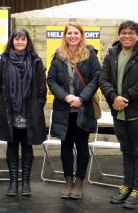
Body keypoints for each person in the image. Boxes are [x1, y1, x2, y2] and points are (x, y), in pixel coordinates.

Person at [99, 20, 138, 209]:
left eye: (131, 33)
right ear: (119, 35)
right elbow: (103, 78)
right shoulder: (112, 54)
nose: (127, 36)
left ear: (137, 36)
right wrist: (112, 97)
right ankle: (127, 185)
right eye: (124, 32)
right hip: (119, 113)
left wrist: (123, 98)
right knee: (126, 150)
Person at [47, 22, 101, 199]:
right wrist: (66, 97)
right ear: (65, 36)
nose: (72, 36)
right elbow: (52, 80)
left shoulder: (90, 54)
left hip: (83, 109)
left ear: (81, 35)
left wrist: (81, 98)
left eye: (75, 33)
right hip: (64, 109)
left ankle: (79, 181)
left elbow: (96, 78)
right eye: (69, 33)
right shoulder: (58, 55)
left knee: (82, 145)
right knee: (66, 146)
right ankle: (68, 180)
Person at [0, 28, 47, 196]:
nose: (20, 42)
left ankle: (26, 183)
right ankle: (13, 182)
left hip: (29, 111)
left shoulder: (36, 60)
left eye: (23, 39)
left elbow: (42, 87)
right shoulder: (4, 59)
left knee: (27, 146)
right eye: (17, 39)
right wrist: (3, 104)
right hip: (10, 112)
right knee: (12, 145)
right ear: (12, 41)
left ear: (27, 41)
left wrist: (38, 106)